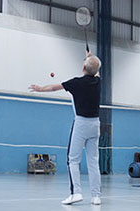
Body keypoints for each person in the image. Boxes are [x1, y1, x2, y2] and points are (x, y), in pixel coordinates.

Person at [28, 51, 102, 206]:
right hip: (95, 125)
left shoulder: (76, 83)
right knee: (93, 161)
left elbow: (55, 87)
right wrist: (90, 58)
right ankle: (96, 196)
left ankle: (76, 193)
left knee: (73, 160)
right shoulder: (97, 82)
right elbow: (96, 70)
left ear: (83, 67)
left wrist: (40, 89)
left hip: (81, 124)